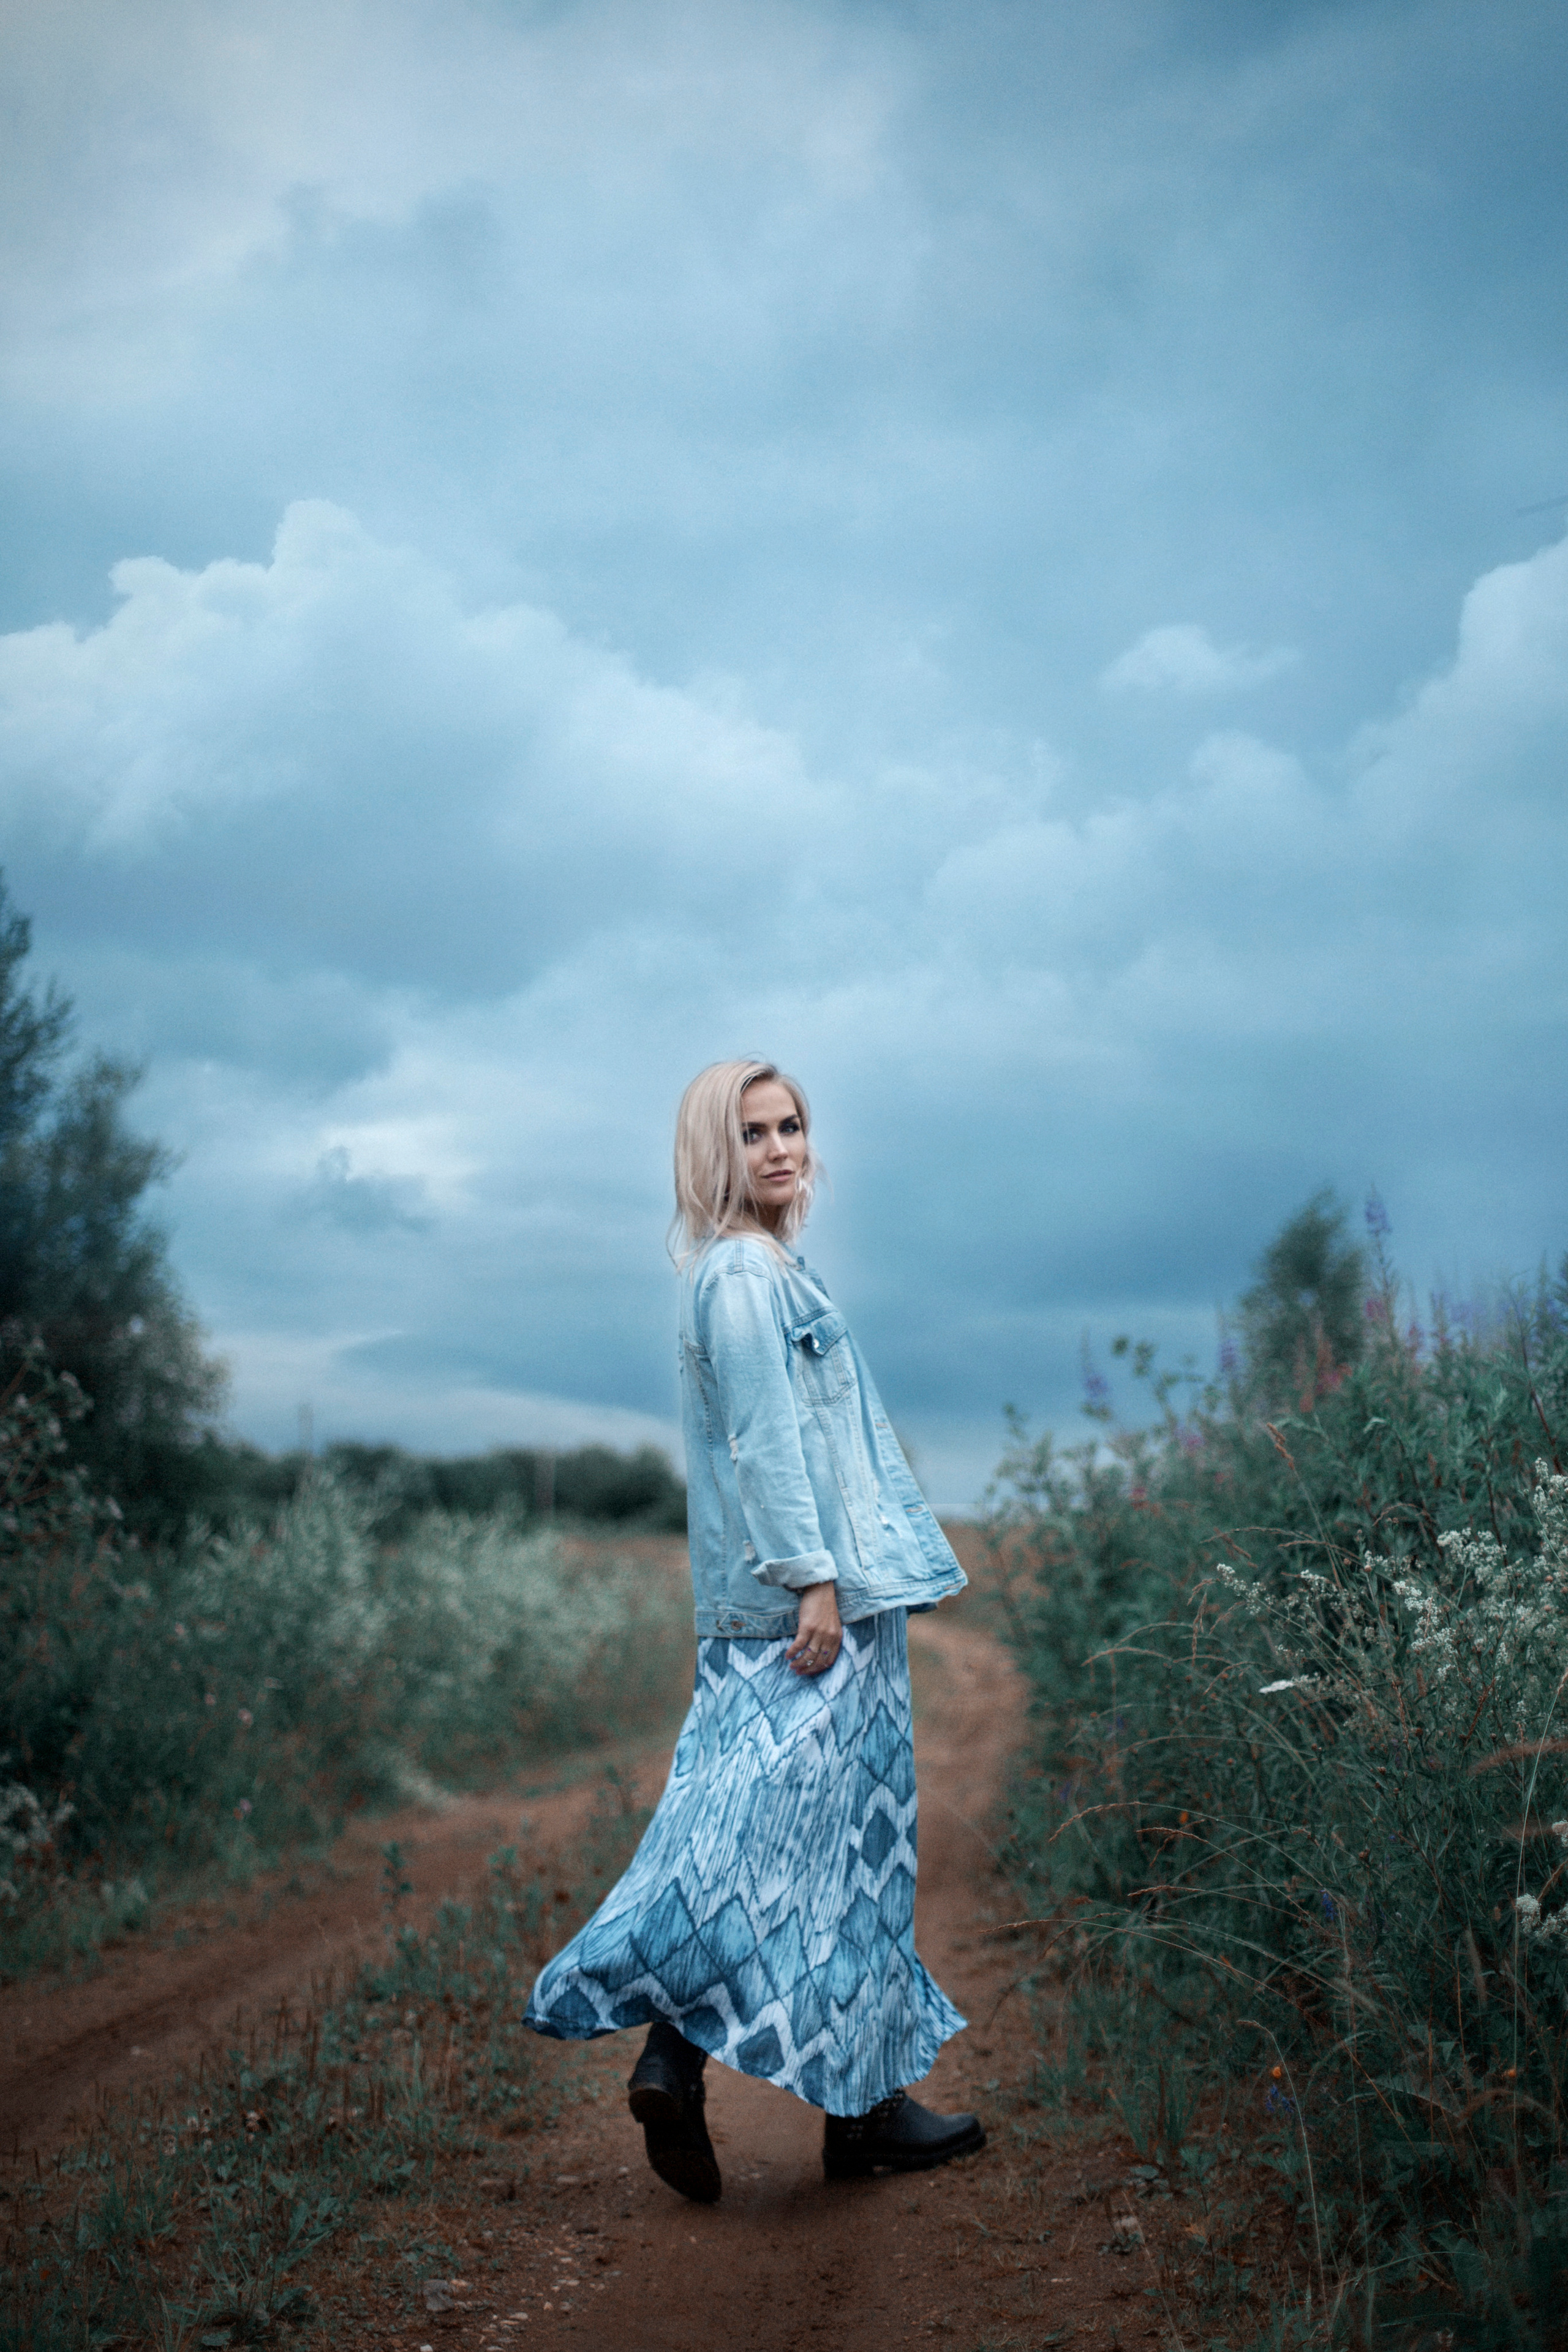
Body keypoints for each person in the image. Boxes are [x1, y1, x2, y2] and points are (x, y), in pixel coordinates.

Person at [524, 1058, 984, 2202]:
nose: (782, 1149)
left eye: (794, 1127)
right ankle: (813, 2100)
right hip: (801, 1615)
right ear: (712, 1153)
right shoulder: (741, 1276)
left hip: (819, 1607)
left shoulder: (773, 1269)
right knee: (785, 1852)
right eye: (755, 1133)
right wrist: (816, 1584)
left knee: (805, 1850)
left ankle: (741, 2076)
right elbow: (767, 1445)